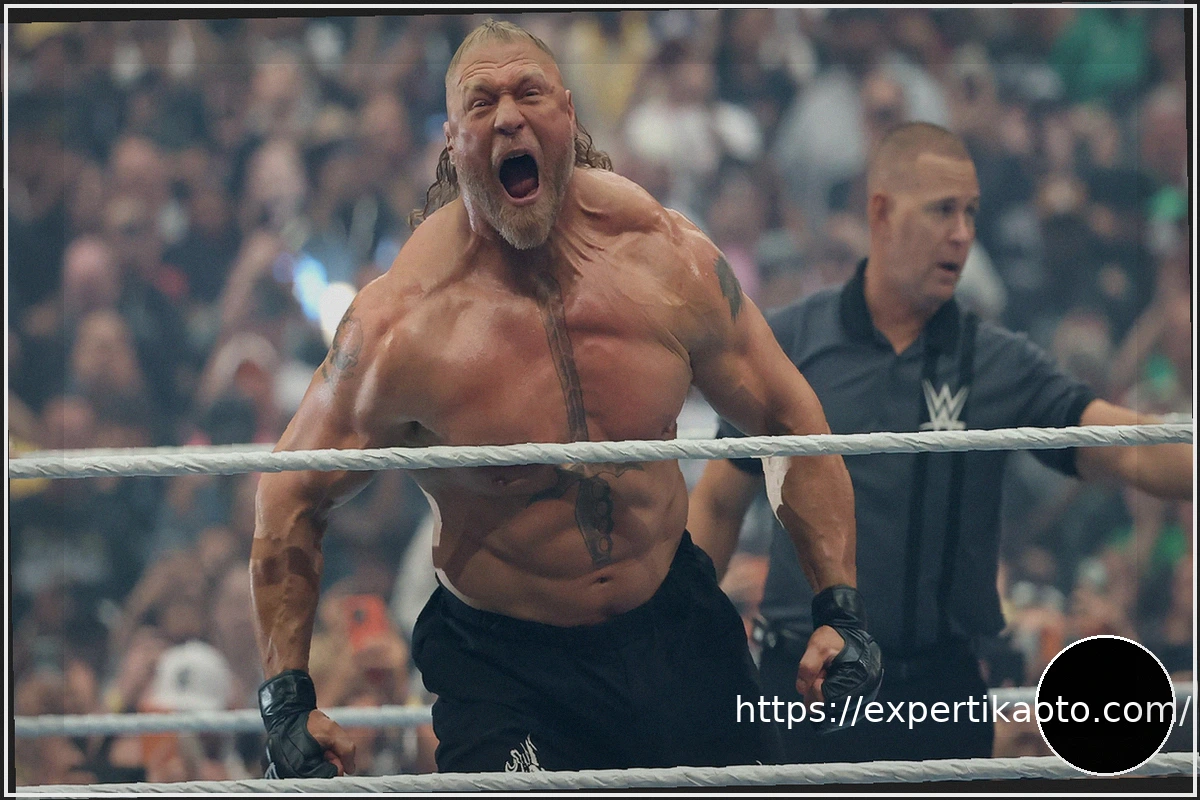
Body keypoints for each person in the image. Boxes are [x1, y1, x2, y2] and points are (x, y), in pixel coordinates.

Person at [250, 20, 881, 778]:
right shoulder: (401, 326)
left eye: (529, 92)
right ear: (452, 142)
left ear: (569, 114)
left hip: (674, 626)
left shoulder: (664, 260)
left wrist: (839, 607)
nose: (508, 117)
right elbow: (289, 493)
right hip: (506, 666)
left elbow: (787, 419)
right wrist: (287, 700)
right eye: (481, 103)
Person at [688, 121, 1193, 763]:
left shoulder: (995, 361)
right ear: (882, 213)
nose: (962, 233)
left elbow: (1128, 447)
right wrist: (684, 642)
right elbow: (719, 503)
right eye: (942, 210)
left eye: (972, 212)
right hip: (808, 685)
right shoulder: (788, 342)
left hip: (942, 692)